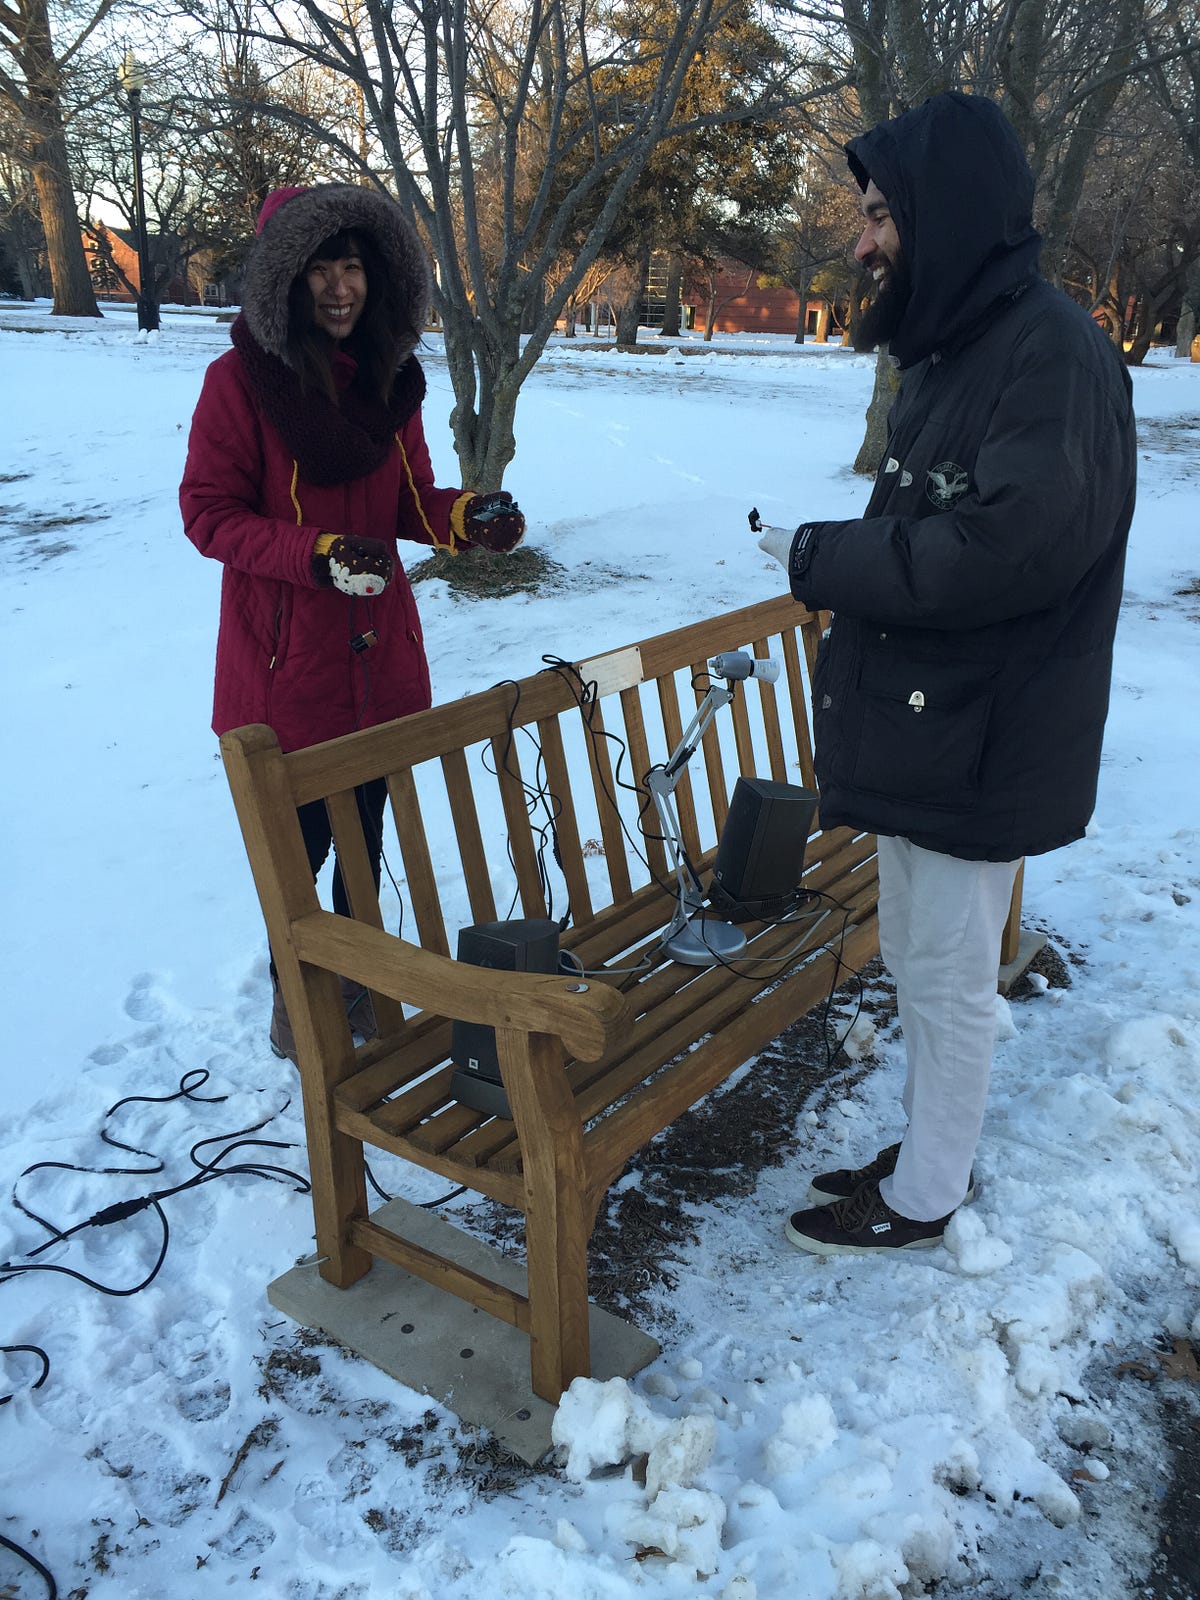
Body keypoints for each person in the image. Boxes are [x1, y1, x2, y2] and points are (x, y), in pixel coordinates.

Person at [756, 92, 1136, 1256]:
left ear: (946, 213)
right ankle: (931, 1150)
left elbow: (997, 551)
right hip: (935, 726)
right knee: (919, 961)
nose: (861, 240)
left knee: (950, 972)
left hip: (984, 734)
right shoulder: (962, 344)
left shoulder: (1051, 354)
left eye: (880, 214)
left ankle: (926, 1196)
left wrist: (821, 556)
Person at [181, 183, 525, 1061]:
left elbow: (411, 497)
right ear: (283, 281)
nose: (340, 288)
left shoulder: (388, 385)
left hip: (379, 665)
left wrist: (465, 517)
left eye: (354, 268)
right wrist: (318, 554)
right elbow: (208, 515)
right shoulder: (238, 385)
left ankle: (359, 984)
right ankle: (299, 1001)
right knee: (294, 860)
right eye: (319, 270)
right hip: (285, 671)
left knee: (363, 846)